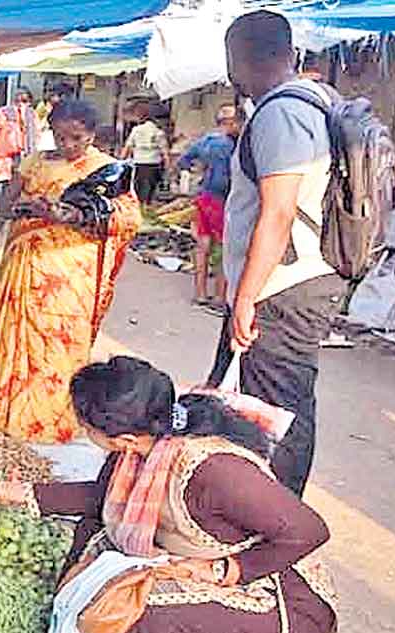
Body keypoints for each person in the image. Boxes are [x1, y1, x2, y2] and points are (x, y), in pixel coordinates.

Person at [0, 356, 336, 633]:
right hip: (194, 558)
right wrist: (26, 493)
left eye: (84, 425)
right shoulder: (138, 446)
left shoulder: (213, 469)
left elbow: (309, 530)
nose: (80, 430)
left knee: (151, 614)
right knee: (95, 542)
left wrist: (225, 570)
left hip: (276, 588)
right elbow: (104, 498)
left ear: (121, 438)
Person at [206, 10, 343, 498]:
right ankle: (250, 503)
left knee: (278, 406)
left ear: (236, 60)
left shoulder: (282, 113)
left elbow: (279, 211)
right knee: (251, 399)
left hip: (282, 286)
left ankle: (279, 515)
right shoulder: (317, 99)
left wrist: (246, 295)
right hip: (297, 278)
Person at [0, 99, 141, 443]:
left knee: (57, 347)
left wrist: (73, 215)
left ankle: (45, 424)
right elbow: (2, 207)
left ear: (92, 134)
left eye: (78, 138)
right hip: (26, 265)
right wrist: (29, 208)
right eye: (61, 137)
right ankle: (2, 416)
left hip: (72, 274)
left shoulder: (110, 170)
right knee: (16, 339)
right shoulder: (35, 163)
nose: (69, 145)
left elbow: (130, 220)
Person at [178, 104, 240, 310]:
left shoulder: (206, 141)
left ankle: (200, 294)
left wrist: (201, 170)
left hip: (204, 197)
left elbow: (183, 161)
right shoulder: (233, 145)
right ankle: (220, 296)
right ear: (231, 123)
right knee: (224, 248)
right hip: (222, 201)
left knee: (202, 246)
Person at [0, 87, 38, 197]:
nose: (21, 105)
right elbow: (36, 137)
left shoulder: (3, 112)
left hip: (3, 156)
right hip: (23, 157)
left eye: (24, 101)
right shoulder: (32, 114)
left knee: (0, 188)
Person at [121, 102, 172, 205]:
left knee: (137, 191)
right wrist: (168, 167)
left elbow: (127, 148)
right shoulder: (158, 132)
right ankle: (146, 207)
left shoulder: (136, 130)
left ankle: (139, 209)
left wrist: (121, 162)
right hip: (154, 165)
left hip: (138, 164)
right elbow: (165, 152)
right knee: (150, 193)